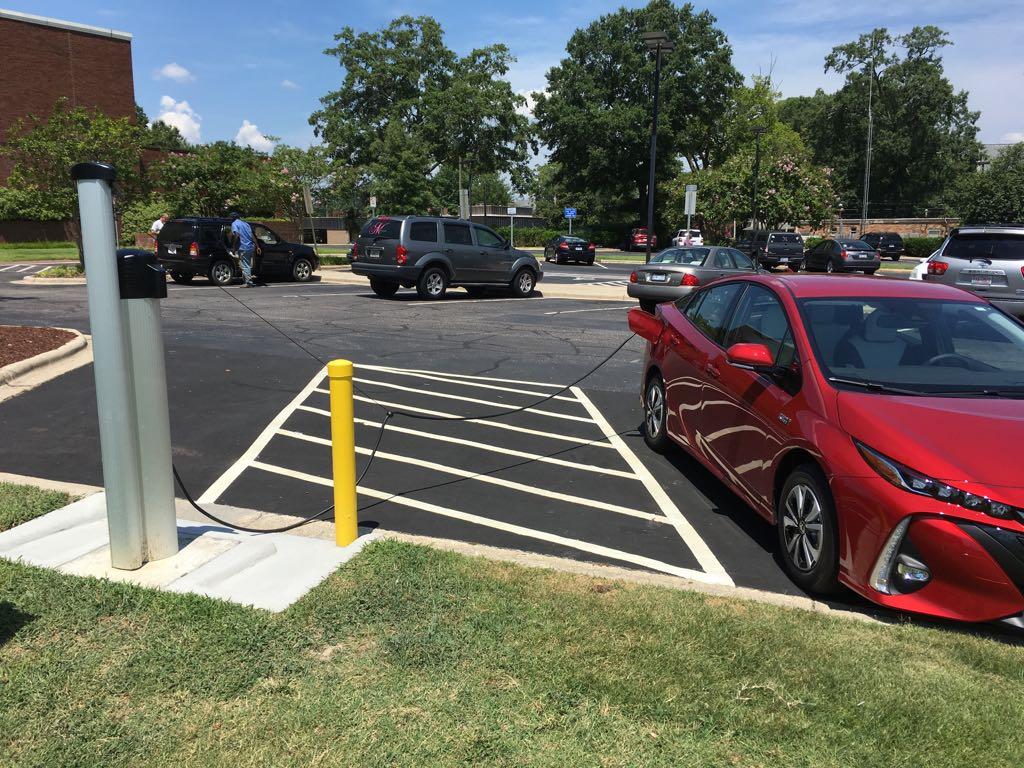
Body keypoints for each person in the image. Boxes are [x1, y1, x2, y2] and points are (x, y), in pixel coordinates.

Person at [229, 212, 261, 287]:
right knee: (246, 264)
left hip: (243, 247)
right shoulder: (246, 224)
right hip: (250, 247)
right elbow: (252, 235)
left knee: (245, 265)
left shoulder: (234, 224)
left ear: (233, 218)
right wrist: (257, 246)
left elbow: (236, 235)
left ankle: (248, 282)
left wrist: (233, 247)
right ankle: (245, 281)